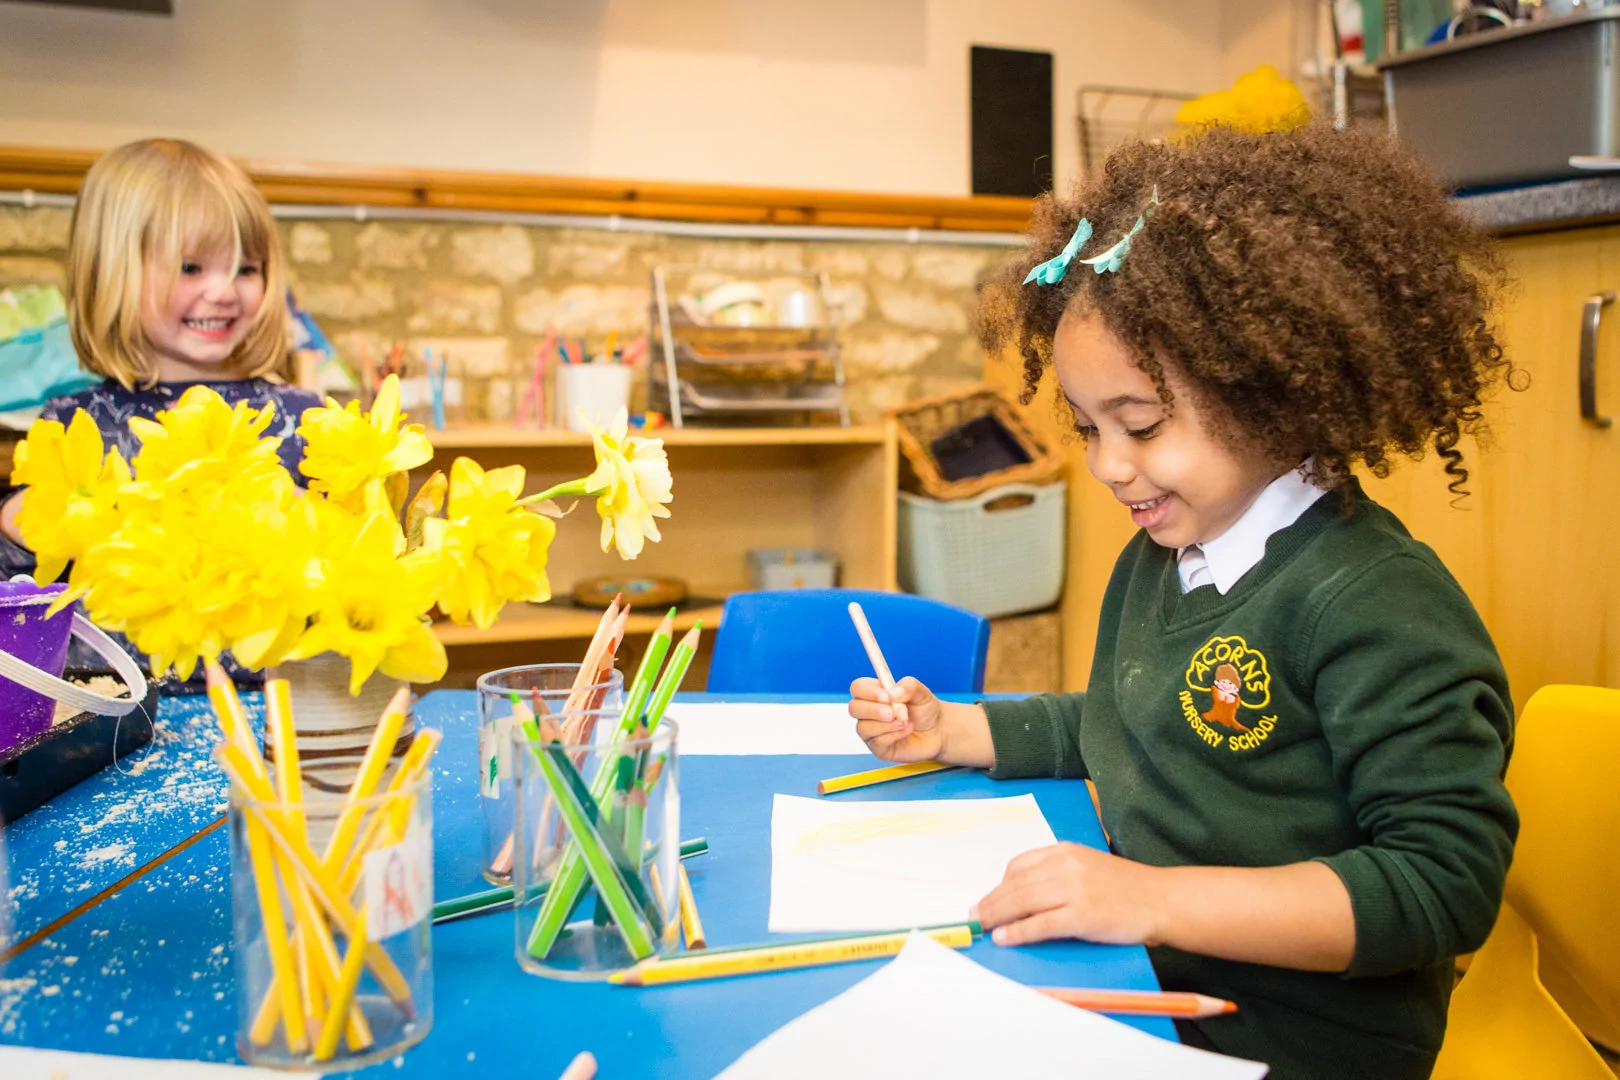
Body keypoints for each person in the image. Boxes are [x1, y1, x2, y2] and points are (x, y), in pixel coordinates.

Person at [848, 124, 1519, 1080]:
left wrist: (1150, 899)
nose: (1108, 466)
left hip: (1287, 1038)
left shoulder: (1372, 603)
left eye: (1143, 424)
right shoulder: (1171, 546)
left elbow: (1441, 887)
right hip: (1148, 974)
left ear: (1276, 388)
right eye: (1087, 427)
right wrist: (955, 730)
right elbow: (1136, 722)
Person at [0, 138, 320, 685]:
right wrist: (13, 532)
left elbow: (358, 578)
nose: (223, 291)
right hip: (109, 720)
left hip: (268, 718)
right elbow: (24, 600)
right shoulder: (75, 426)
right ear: (112, 272)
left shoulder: (301, 420)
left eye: (247, 268)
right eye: (190, 267)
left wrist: (320, 526)